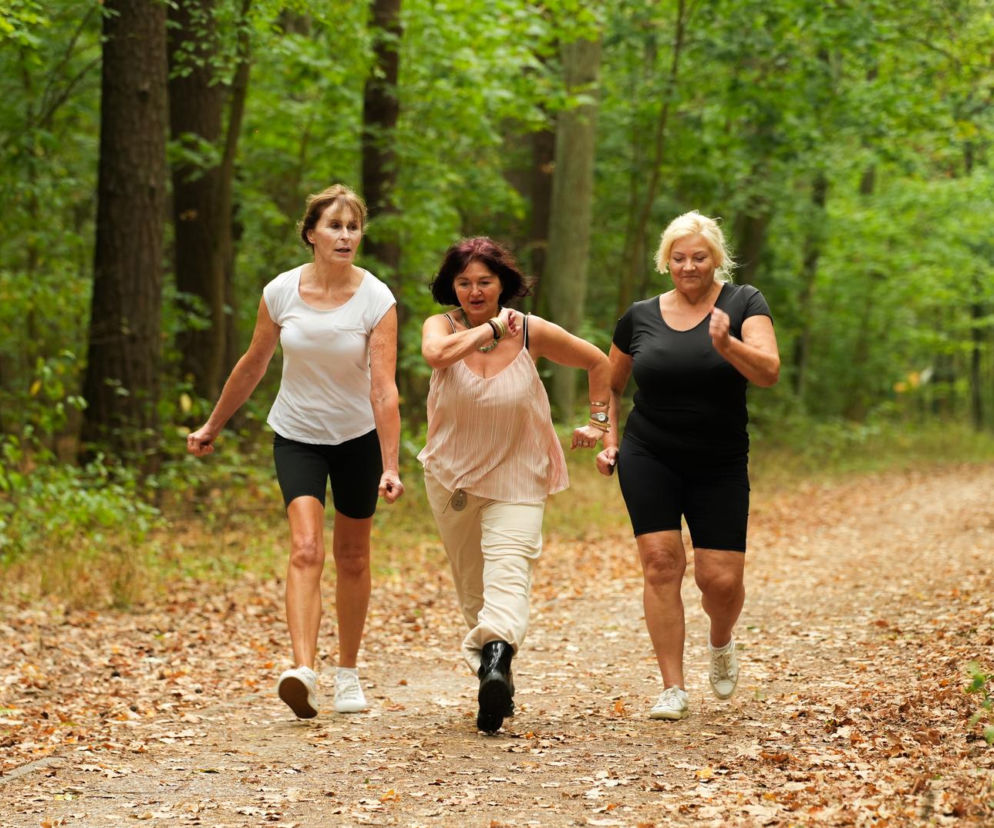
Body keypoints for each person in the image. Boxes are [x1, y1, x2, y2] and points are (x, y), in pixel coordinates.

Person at [186, 184, 403, 719]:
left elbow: (383, 387)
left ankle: (347, 673)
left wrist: (392, 463)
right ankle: (303, 671)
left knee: (352, 557)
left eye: (353, 227)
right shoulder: (281, 291)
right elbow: (255, 363)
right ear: (311, 234)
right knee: (305, 548)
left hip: (358, 440)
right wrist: (214, 424)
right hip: (298, 433)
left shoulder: (377, 299)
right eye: (335, 226)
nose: (346, 235)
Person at [418, 237, 611, 734]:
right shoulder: (441, 327)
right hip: (452, 477)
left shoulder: (530, 332)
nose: (475, 290)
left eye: (485, 281)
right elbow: (437, 357)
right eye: (464, 282)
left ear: (503, 283)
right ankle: (493, 672)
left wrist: (598, 422)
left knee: (509, 572)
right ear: (451, 287)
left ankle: (497, 657)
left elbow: (598, 362)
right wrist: (486, 329)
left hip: (520, 473)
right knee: (473, 590)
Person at [595, 210, 780, 721]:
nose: (689, 266)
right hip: (649, 452)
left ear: (716, 258)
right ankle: (672, 687)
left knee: (719, 581)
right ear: (665, 261)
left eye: (699, 257)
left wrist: (728, 344)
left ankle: (721, 641)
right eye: (678, 258)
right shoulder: (639, 316)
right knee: (660, 563)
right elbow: (608, 382)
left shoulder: (745, 303)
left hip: (718, 459)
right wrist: (607, 436)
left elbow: (768, 372)